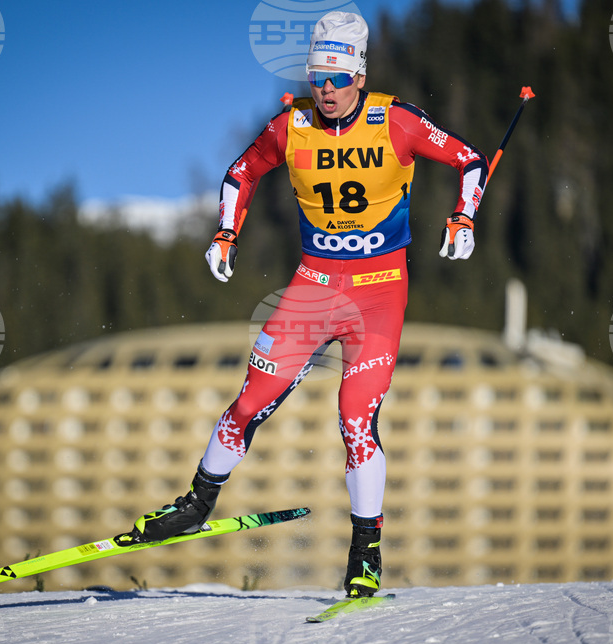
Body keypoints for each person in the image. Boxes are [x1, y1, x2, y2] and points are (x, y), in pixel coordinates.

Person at [123, 11, 488, 598]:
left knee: (355, 417)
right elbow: (241, 172)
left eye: (338, 79)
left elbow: (470, 159)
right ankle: (197, 502)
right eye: (318, 77)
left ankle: (365, 553)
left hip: (378, 291)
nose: (327, 90)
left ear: (360, 75)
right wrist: (226, 233)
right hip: (314, 287)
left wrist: (463, 217)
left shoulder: (396, 121)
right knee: (251, 400)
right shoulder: (291, 125)